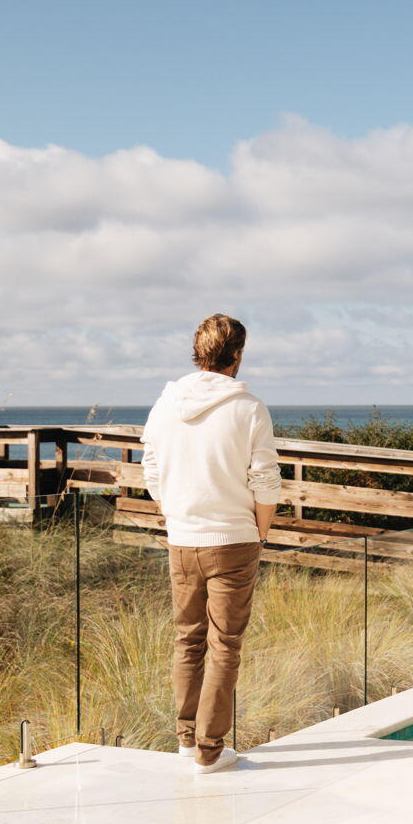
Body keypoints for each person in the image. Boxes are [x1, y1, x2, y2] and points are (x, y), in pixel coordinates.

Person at [140, 313, 280, 773]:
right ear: (236, 354)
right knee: (225, 645)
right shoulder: (249, 408)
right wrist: (261, 533)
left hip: (182, 539)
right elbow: (265, 481)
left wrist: (176, 513)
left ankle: (187, 740)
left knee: (187, 640)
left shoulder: (165, 405)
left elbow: (151, 470)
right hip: (234, 540)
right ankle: (209, 749)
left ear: (197, 352)